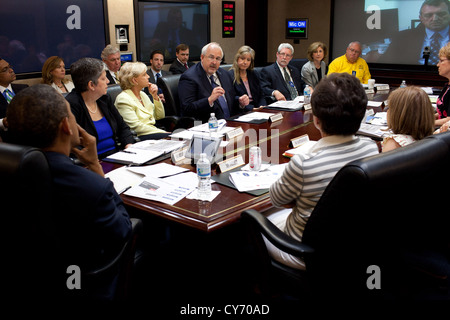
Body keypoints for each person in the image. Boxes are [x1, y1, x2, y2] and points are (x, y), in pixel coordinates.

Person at [6, 84, 132, 301]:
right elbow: (124, 230)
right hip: (82, 283)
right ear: (66, 125)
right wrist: (95, 167)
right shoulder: (90, 186)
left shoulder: (10, 170)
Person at [265, 73, 379, 270]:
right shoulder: (371, 148)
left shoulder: (303, 163)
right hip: (353, 243)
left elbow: (276, 199)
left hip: (304, 251)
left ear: (316, 120)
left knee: (257, 220)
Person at [66, 57, 135, 159]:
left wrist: (129, 146)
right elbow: (73, 146)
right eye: (103, 78)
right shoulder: (71, 106)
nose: (108, 81)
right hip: (92, 163)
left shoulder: (104, 99)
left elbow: (123, 128)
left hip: (118, 157)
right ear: (91, 85)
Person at [178, 42, 249, 123]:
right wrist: (209, 100)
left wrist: (240, 101)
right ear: (202, 57)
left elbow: (230, 99)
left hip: (231, 123)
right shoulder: (189, 77)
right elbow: (187, 109)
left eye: (218, 59)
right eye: (211, 57)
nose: (214, 62)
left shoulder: (225, 74)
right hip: (206, 125)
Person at [383, 0, 450, 65]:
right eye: (429, 15)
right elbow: (385, 64)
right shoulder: (401, 37)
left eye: (441, 14)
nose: (435, 19)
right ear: (421, 18)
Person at [115, 61, 170, 140]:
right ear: (134, 80)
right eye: (144, 74)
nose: (148, 76)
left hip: (153, 132)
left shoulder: (142, 94)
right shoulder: (123, 99)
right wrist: (163, 133)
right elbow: (136, 127)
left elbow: (160, 116)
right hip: (140, 137)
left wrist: (155, 97)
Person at [382, 86, 435, 152]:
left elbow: (380, 161)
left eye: (389, 108)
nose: (387, 111)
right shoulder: (430, 140)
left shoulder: (394, 143)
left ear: (397, 115)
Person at [229, 45, 266, 110]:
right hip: (242, 110)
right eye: (242, 59)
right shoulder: (230, 75)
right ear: (237, 59)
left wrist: (262, 106)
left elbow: (261, 94)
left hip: (257, 108)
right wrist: (252, 109)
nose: (245, 62)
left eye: (248, 60)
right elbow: (232, 98)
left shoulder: (254, 73)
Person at [0, 57, 28, 134]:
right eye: (5, 69)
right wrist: (3, 122)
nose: (11, 70)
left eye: (10, 67)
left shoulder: (24, 88)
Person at [435, 42, 450, 126]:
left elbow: (449, 120)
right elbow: (443, 113)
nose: (438, 65)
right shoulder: (447, 86)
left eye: (441, 61)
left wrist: (425, 124)